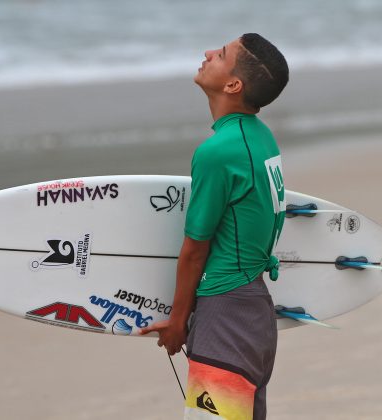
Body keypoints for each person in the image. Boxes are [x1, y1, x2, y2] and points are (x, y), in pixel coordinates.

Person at [140, 33, 289, 420]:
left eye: (221, 54)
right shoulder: (261, 136)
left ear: (233, 84)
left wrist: (176, 323)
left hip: (226, 318)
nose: (207, 53)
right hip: (254, 314)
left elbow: (194, 250)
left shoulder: (218, 152)